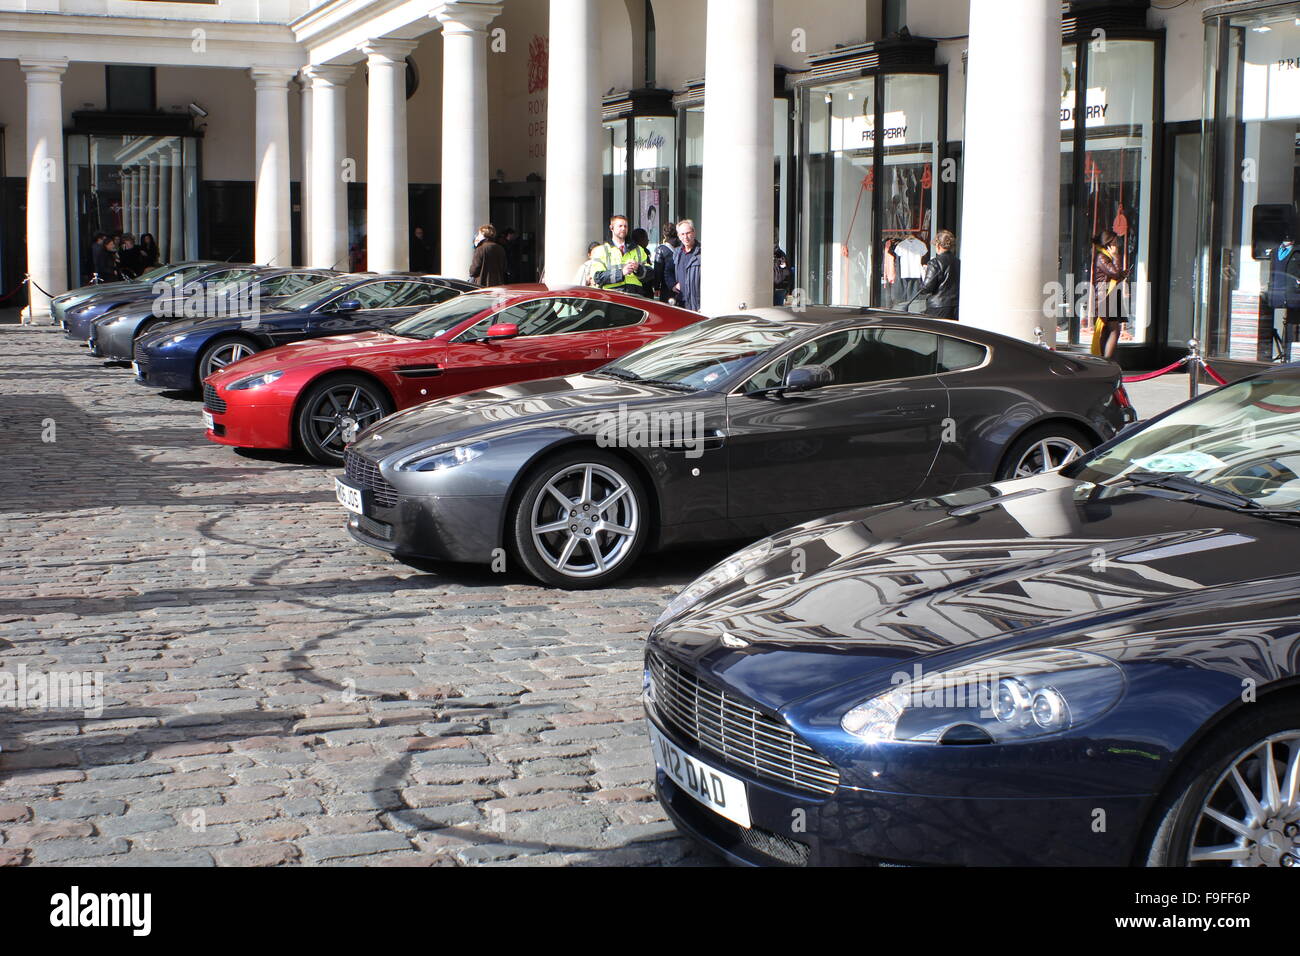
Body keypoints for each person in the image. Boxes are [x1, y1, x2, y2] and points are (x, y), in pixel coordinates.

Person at [1091, 229, 1131, 360]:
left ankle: (1104, 359)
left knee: (1109, 331)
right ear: (1107, 244)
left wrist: (1122, 274)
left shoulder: (1105, 257)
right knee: (1113, 330)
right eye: (1113, 243)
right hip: (1105, 299)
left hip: (1111, 298)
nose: (1116, 246)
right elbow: (1114, 273)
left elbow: (1116, 275)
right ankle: (1105, 360)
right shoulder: (1103, 257)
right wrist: (1116, 257)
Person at [594, 215, 652, 295]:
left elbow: (650, 274)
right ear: (611, 228)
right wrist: (621, 273)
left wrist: (638, 269)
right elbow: (598, 277)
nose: (623, 229)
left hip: (635, 296)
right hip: (612, 297)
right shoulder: (601, 250)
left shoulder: (638, 249)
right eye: (620, 226)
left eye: (625, 226)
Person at [916, 229, 959, 319]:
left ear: (938, 245)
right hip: (955, 305)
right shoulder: (957, 262)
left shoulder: (934, 263)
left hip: (937, 306)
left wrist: (922, 277)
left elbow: (927, 287)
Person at [672, 219, 701, 312]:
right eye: (682, 234)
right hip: (681, 303)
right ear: (679, 236)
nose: (686, 237)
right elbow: (668, 271)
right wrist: (672, 284)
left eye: (688, 233)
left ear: (694, 232)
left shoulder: (702, 253)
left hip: (697, 304)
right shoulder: (677, 253)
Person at [653, 224, 680, 304]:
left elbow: (658, 270)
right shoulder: (681, 248)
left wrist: (656, 287)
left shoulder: (661, 249)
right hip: (680, 284)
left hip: (667, 286)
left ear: (664, 235)